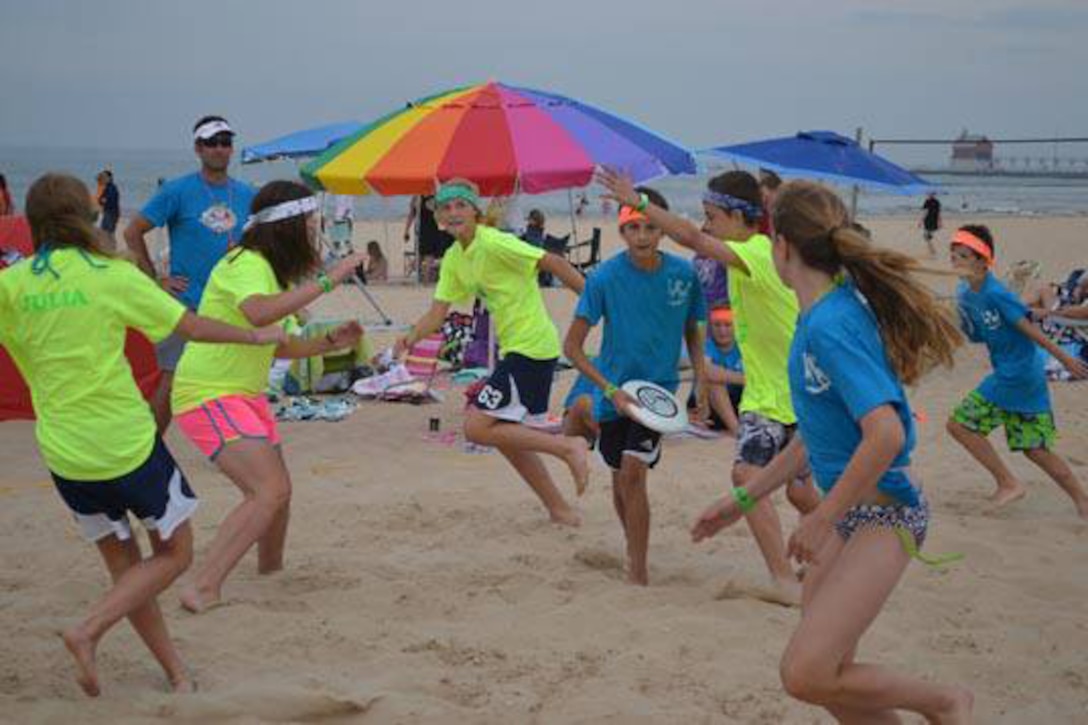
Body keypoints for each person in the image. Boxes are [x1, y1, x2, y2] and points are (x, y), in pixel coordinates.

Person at [692, 180, 974, 724]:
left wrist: (823, 515)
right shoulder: (819, 316)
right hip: (855, 518)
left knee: (806, 673)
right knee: (830, 681)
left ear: (784, 248)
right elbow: (815, 439)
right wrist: (744, 501)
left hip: (885, 515)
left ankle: (945, 701)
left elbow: (887, 433)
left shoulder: (831, 324)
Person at [0, 173, 284, 696]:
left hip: (64, 455)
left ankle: (177, 674)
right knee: (176, 555)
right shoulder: (111, 275)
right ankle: (87, 631)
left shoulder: (11, 286)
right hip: (126, 446)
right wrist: (255, 334)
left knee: (127, 571)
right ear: (85, 218)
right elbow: (191, 327)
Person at [599, 167, 820, 605]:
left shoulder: (756, 252)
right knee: (796, 489)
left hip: (779, 398)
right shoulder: (761, 253)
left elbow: (691, 240)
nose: (706, 225)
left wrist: (641, 203)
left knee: (748, 477)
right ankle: (838, 545)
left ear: (738, 217)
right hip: (793, 396)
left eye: (711, 215)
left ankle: (784, 576)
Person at [171, 181, 366, 612]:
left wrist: (331, 341)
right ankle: (202, 586)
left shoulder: (269, 271)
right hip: (208, 391)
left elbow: (279, 345)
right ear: (290, 226)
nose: (314, 231)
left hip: (243, 394)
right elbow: (258, 314)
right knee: (268, 491)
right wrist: (330, 279)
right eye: (310, 223)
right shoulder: (246, 261)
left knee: (280, 493)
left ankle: (270, 572)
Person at [396, 179, 590, 526]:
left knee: (477, 427)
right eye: (446, 207)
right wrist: (407, 339)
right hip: (515, 349)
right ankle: (559, 509)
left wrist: (595, 306)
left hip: (532, 347)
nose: (453, 212)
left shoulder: (495, 241)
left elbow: (555, 263)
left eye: (460, 205)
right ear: (437, 216)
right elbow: (437, 315)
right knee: (506, 436)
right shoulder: (455, 257)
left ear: (475, 211)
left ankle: (568, 447)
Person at [564, 187, 706, 585]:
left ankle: (639, 572)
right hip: (613, 392)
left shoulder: (683, 274)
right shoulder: (605, 278)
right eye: (633, 228)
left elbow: (694, 330)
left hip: (658, 394)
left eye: (649, 227)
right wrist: (609, 391)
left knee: (632, 472)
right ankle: (633, 550)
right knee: (617, 476)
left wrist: (702, 378)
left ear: (662, 229)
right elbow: (572, 348)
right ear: (622, 231)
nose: (642, 235)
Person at [124, 115, 256, 433]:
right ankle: (149, 448)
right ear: (198, 148)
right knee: (172, 380)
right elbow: (133, 232)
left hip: (231, 305)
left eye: (226, 142)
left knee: (229, 380)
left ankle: (232, 443)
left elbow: (259, 239)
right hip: (187, 304)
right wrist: (156, 280)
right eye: (212, 142)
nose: (220, 149)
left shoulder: (247, 193)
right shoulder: (177, 191)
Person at [946, 225, 1088, 518]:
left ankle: (1008, 483)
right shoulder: (964, 292)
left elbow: (1030, 331)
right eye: (953, 254)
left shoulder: (996, 293)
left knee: (959, 425)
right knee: (1035, 448)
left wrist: (1065, 359)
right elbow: (979, 335)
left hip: (1018, 374)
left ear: (983, 261)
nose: (955, 260)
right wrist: (957, 319)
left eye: (963, 255)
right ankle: (1083, 501)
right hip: (1019, 373)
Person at [690, 305, 744, 434]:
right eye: (717, 325)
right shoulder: (706, 345)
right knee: (712, 382)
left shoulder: (744, 346)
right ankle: (738, 432)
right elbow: (706, 370)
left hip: (739, 403)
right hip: (710, 406)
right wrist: (746, 379)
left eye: (727, 325)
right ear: (710, 327)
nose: (722, 330)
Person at [403, 195, 454, 283]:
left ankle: (426, 279)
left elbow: (441, 213)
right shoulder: (417, 197)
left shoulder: (434, 197)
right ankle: (421, 278)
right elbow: (411, 214)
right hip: (420, 230)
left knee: (428, 254)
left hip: (431, 229)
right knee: (421, 254)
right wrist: (406, 230)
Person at [96, 170, 120, 249]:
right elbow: (100, 199)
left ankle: (112, 249)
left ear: (109, 178)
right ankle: (107, 248)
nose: (103, 179)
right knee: (104, 232)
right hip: (108, 212)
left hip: (111, 213)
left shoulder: (112, 188)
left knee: (109, 232)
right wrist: (103, 201)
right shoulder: (107, 187)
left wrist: (104, 201)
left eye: (105, 177)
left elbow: (110, 201)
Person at [758, 169, 782, 237]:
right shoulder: (760, 216)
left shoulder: (786, 219)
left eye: (768, 197)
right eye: (762, 195)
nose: (764, 200)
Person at [920, 192, 941, 257]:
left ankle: (932, 250)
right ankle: (932, 250)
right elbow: (924, 212)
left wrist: (939, 221)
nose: (930, 195)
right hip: (928, 219)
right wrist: (921, 221)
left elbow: (938, 213)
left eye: (932, 194)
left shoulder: (937, 202)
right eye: (929, 194)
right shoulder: (927, 201)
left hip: (933, 220)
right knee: (927, 235)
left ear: (934, 195)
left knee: (928, 236)